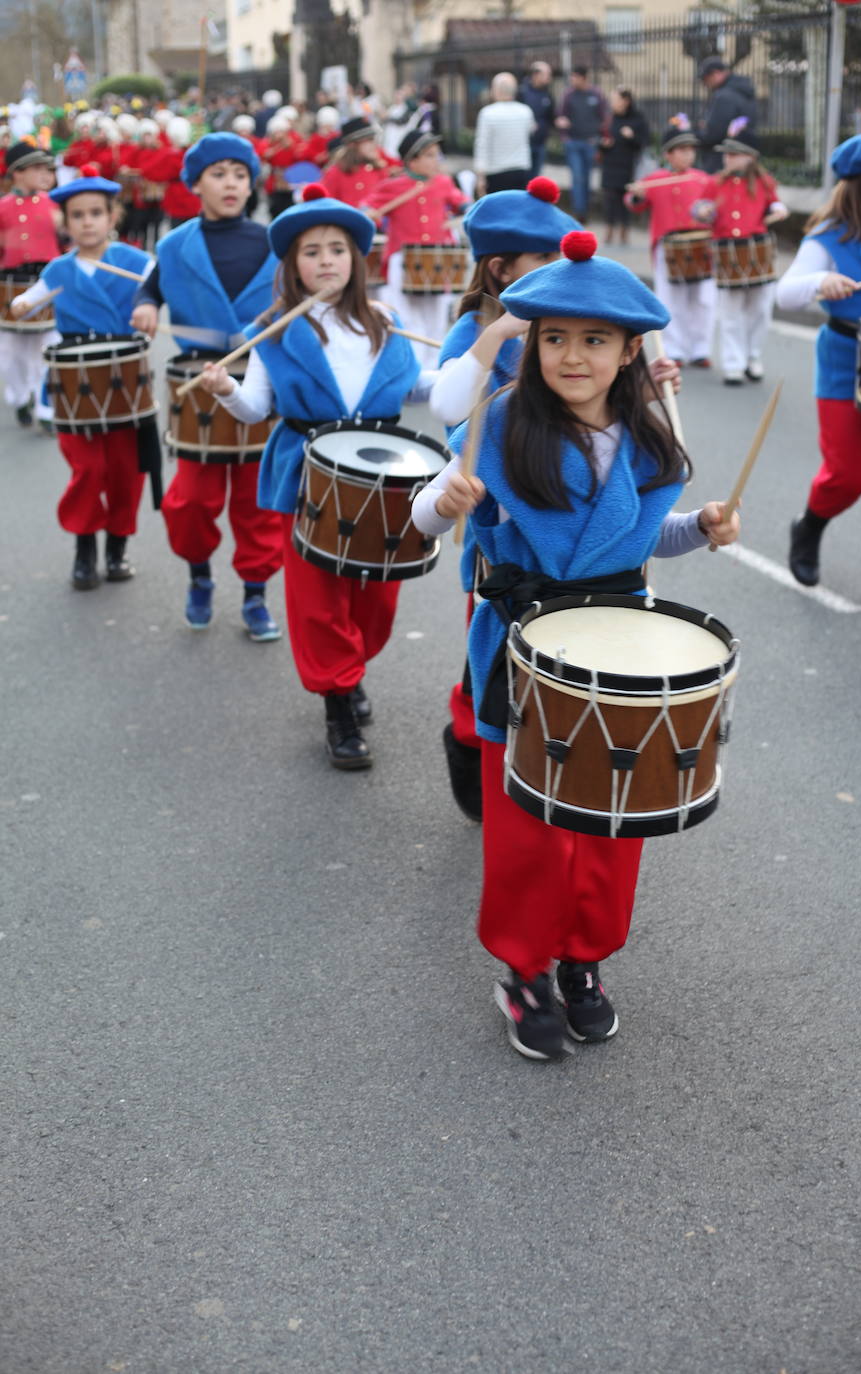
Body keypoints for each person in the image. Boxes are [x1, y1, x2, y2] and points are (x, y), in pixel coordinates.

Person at [412, 232, 740, 1060]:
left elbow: (636, 541)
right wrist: (444, 504)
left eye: (595, 341)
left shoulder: (650, 440)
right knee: (526, 830)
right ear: (532, 341)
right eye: (554, 337)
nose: (572, 356)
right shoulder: (498, 427)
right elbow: (421, 515)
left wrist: (697, 529)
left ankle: (583, 960)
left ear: (631, 352)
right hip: (522, 651)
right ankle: (522, 969)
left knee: (609, 822)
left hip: (617, 647)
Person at [197, 187, 434, 768]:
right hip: (308, 471)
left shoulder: (385, 320)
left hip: (385, 474)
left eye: (337, 249)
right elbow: (257, 405)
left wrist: (473, 370)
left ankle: (350, 670)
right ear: (292, 264)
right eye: (311, 251)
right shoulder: (274, 327)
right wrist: (226, 389)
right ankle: (337, 702)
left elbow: (420, 386)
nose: (326, 260)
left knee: (376, 599)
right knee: (317, 598)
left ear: (356, 260)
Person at [429, 176, 579, 820]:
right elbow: (445, 406)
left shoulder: (563, 328)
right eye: (542, 260)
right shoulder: (475, 329)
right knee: (488, 658)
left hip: (569, 524)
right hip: (501, 540)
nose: (556, 271)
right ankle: (468, 739)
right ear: (499, 269)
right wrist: (495, 341)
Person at [131, 132, 285, 640]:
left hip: (260, 385)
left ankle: (255, 593)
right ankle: (199, 576)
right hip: (198, 385)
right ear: (195, 183)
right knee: (191, 503)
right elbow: (150, 287)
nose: (232, 184)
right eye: (219, 174)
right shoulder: (175, 244)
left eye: (240, 174)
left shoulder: (274, 241)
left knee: (256, 505)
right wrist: (148, 305)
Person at [776, 118, 861, 617]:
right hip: (845, 362)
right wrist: (821, 284)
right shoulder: (829, 238)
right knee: (848, 474)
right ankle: (808, 526)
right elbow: (784, 292)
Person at [8, 167, 157, 589]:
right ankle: (84, 547)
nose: (88, 221)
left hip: (126, 381)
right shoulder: (59, 270)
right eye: (78, 215)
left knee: (127, 471)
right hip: (75, 384)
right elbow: (28, 302)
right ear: (66, 223)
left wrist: (151, 307)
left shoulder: (137, 263)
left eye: (97, 213)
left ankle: (116, 550)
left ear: (113, 217)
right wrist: (21, 305)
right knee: (88, 469)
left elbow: (159, 293)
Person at [363, 128, 467, 366]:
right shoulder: (393, 185)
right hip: (402, 257)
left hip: (438, 259)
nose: (436, 161)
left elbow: (459, 201)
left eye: (437, 154)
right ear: (413, 160)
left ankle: (434, 368)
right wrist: (367, 213)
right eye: (430, 155)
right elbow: (368, 207)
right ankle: (413, 368)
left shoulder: (443, 182)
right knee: (408, 318)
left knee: (437, 318)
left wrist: (468, 209)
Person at [692, 126, 788, 383]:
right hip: (726, 251)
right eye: (726, 154)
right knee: (730, 311)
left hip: (757, 250)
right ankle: (733, 363)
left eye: (734, 154)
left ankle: (752, 357)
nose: (728, 159)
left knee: (760, 309)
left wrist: (779, 209)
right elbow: (701, 207)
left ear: (750, 157)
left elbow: (774, 203)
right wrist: (702, 212)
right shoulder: (715, 183)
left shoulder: (764, 182)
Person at [626, 123, 715, 368]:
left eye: (690, 150)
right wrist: (638, 194)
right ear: (668, 154)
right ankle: (674, 350)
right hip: (668, 245)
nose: (688, 154)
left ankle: (700, 349)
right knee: (670, 298)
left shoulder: (703, 180)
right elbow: (633, 202)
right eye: (681, 150)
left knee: (703, 299)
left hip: (701, 245)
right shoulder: (655, 180)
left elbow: (716, 207)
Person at [0, 141, 61, 429]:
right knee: (10, 354)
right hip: (9, 286)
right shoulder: (2, 208)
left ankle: (45, 407)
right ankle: (20, 396)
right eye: (36, 168)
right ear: (17, 173)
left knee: (47, 350)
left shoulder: (55, 205)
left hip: (46, 283)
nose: (43, 173)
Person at [556, 67, 609, 222]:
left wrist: (601, 136)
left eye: (575, 77)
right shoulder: (568, 95)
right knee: (577, 177)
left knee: (587, 177)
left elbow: (605, 117)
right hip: (573, 142)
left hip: (590, 142)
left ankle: (585, 208)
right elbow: (560, 115)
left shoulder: (596, 94)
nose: (572, 80)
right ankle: (580, 213)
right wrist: (564, 136)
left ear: (584, 78)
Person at [599, 87, 649, 245]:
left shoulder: (637, 118)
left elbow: (644, 142)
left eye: (616, 100)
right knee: (609, 197)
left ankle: (624, 229)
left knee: (625, 196)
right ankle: (609, 228)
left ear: (626, 101)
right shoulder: (609, 118)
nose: (613, 103)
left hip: (627, 164)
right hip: (610, 163)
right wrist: (603, 145)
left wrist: (632, 136)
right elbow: (600, 136)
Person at [472, 72, 535, 196]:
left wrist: (480, 176)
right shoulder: (526, 111)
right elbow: (531, 131)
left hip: (495, 172)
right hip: (521, 169)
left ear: (495, 90)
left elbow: (482, 145)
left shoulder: (487, 113)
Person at [319, 116, 400, 207]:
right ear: (353, 144)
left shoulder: (379, 170)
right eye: (369, 140)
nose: (374, 145)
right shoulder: (335, 172)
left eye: (373, 139)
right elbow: (325, 205)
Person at [697, 56, 757, 173]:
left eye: (705, 79)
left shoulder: (725, 96)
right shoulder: (743, 91)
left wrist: (700, 132)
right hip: (744, 155)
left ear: (716, 74)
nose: (705, 84)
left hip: (720, 158)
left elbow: (713, 134)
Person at [519, 62, 555, 180]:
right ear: (536, 75)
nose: (549, 77)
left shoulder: (547, 94)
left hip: (540, 144)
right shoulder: (522, 92)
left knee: (535, 179)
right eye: (546, 74)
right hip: (523, 144)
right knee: (523, 178)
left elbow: (551, 116)